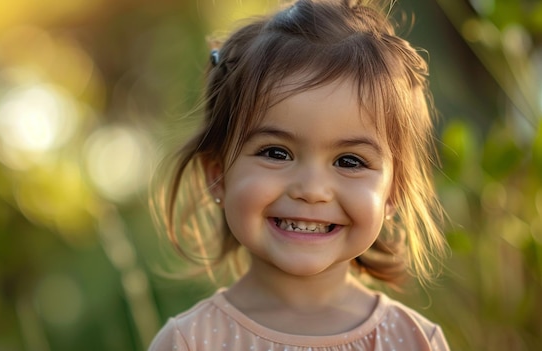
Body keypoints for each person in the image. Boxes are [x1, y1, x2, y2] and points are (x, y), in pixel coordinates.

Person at [149, 0, 450, 349]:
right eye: (276, 153)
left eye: (349, 161)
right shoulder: (191, 342)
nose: (311, 190)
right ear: (217, 174)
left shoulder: (412, 341)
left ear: (393, 192)